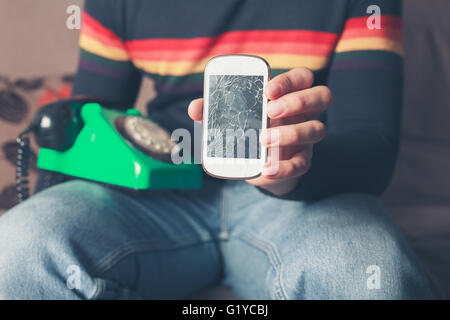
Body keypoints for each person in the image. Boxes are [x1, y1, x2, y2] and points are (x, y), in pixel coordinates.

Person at [0, 0, 433, 299]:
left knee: (374, 275)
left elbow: (372, 146)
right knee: (17, 247)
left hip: (302, 191)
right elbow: (91, 114)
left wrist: (291, 173)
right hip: (158, 189)